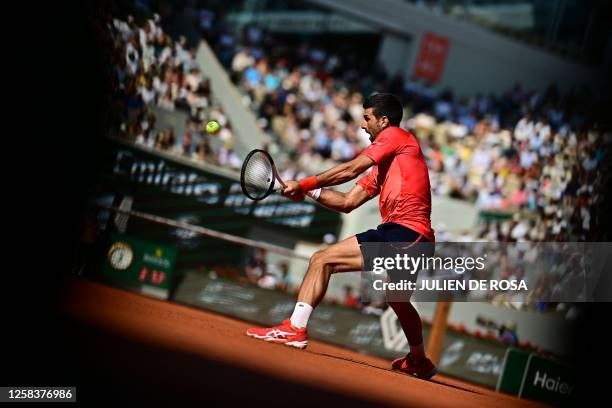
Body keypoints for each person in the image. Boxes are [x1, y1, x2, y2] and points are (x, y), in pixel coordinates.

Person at [246, 93, 438, 379]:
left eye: (367, 118)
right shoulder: (384, 166)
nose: (362, 124)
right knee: (397, 298)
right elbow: (348, 202)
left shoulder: (397, 135)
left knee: (323, 259)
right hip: (418, 239)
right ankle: (419, 361)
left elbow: (350, 169)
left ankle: (295, 328)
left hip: (405, 232)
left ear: (384, 121)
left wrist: (305, 181)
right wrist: (307, 191)